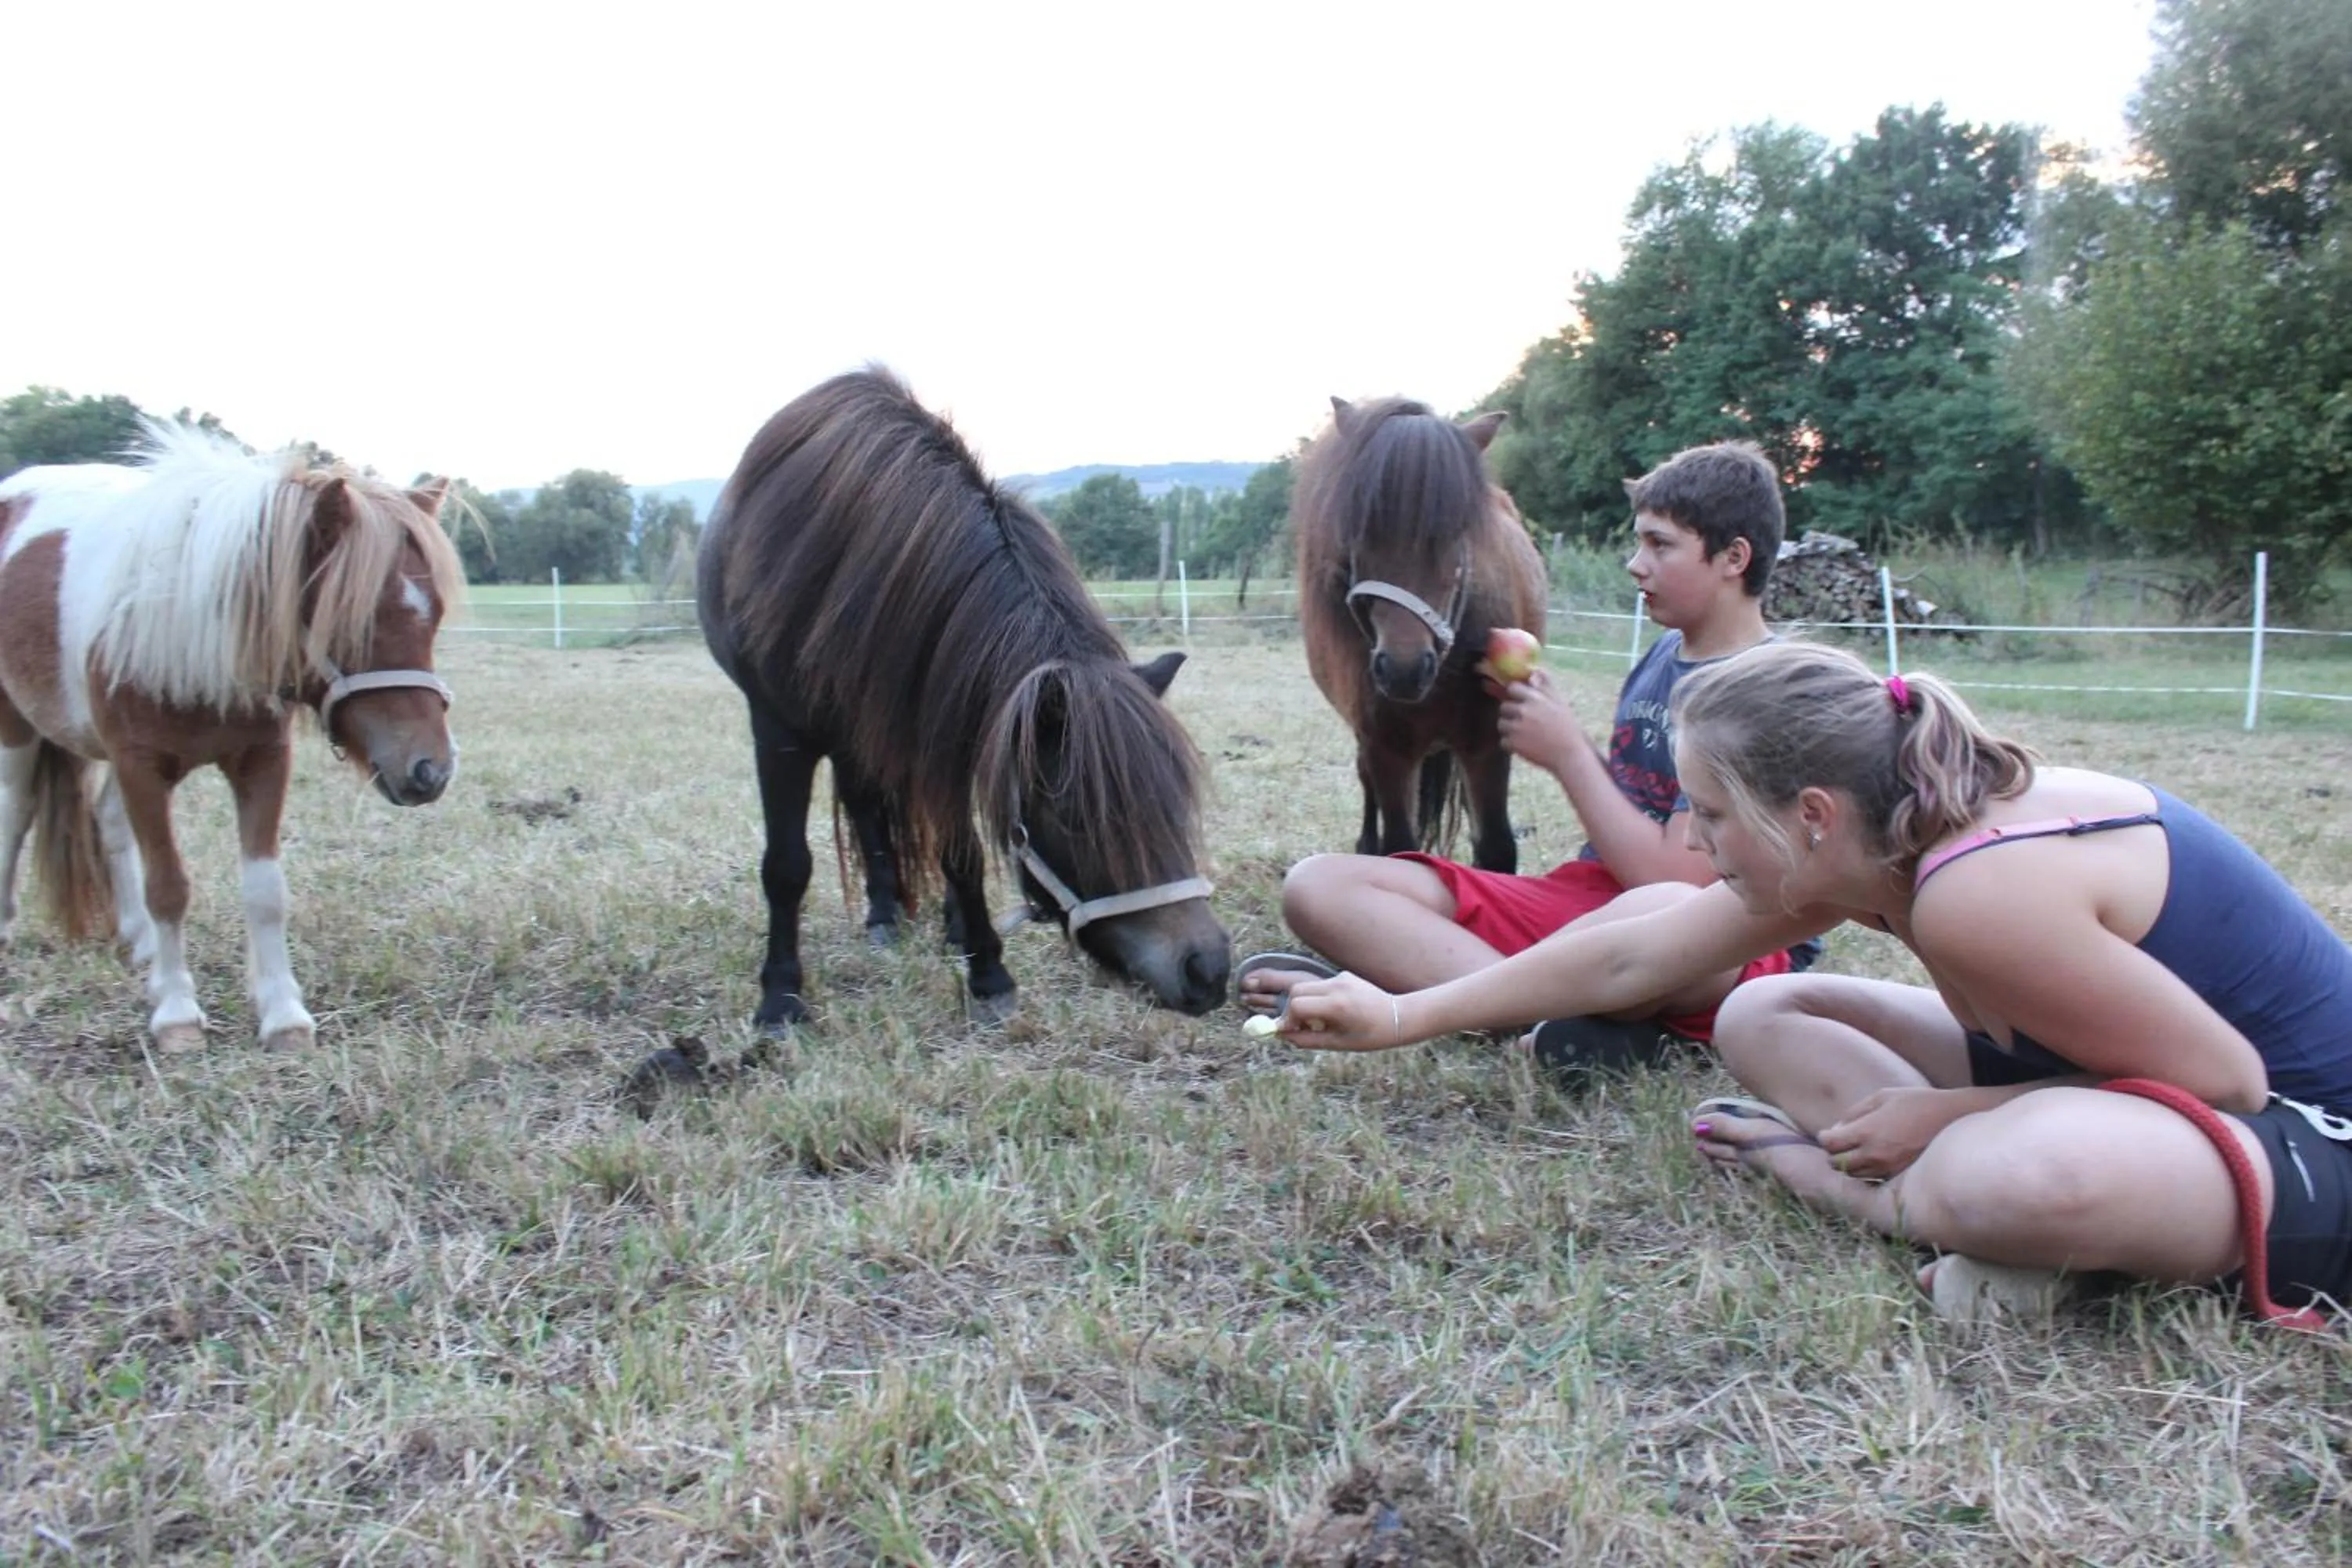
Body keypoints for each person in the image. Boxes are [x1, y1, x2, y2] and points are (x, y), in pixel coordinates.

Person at [1267, 641, 2352, 1323]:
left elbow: (2230, 1082)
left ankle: (1880, 1200)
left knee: (2009, 1174)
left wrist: (1946, 1111)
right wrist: (1400, 1013)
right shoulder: (1877, 841)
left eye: (1712, 810)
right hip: (2122, 1084)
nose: (1692, 834)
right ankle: (2051, 1245)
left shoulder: (1980, 888)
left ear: (1812, 812)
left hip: (2306, 1132)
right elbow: (1632, 953)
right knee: (1763, 1006)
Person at [1240, 440, 1812, 1080]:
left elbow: (1674, 879)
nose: (1635, 565)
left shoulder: (1759, 689)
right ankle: (1558, 1018)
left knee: (1654, 909)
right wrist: (1556, 732)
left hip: (1716, 939)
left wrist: (1568, 754)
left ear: (1734, 557)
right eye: (1638, 542)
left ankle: (1416, 1002)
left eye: (1659, 545)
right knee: (1319, 884)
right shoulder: (1666, 658)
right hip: (1595, 905)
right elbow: (1642, 804)